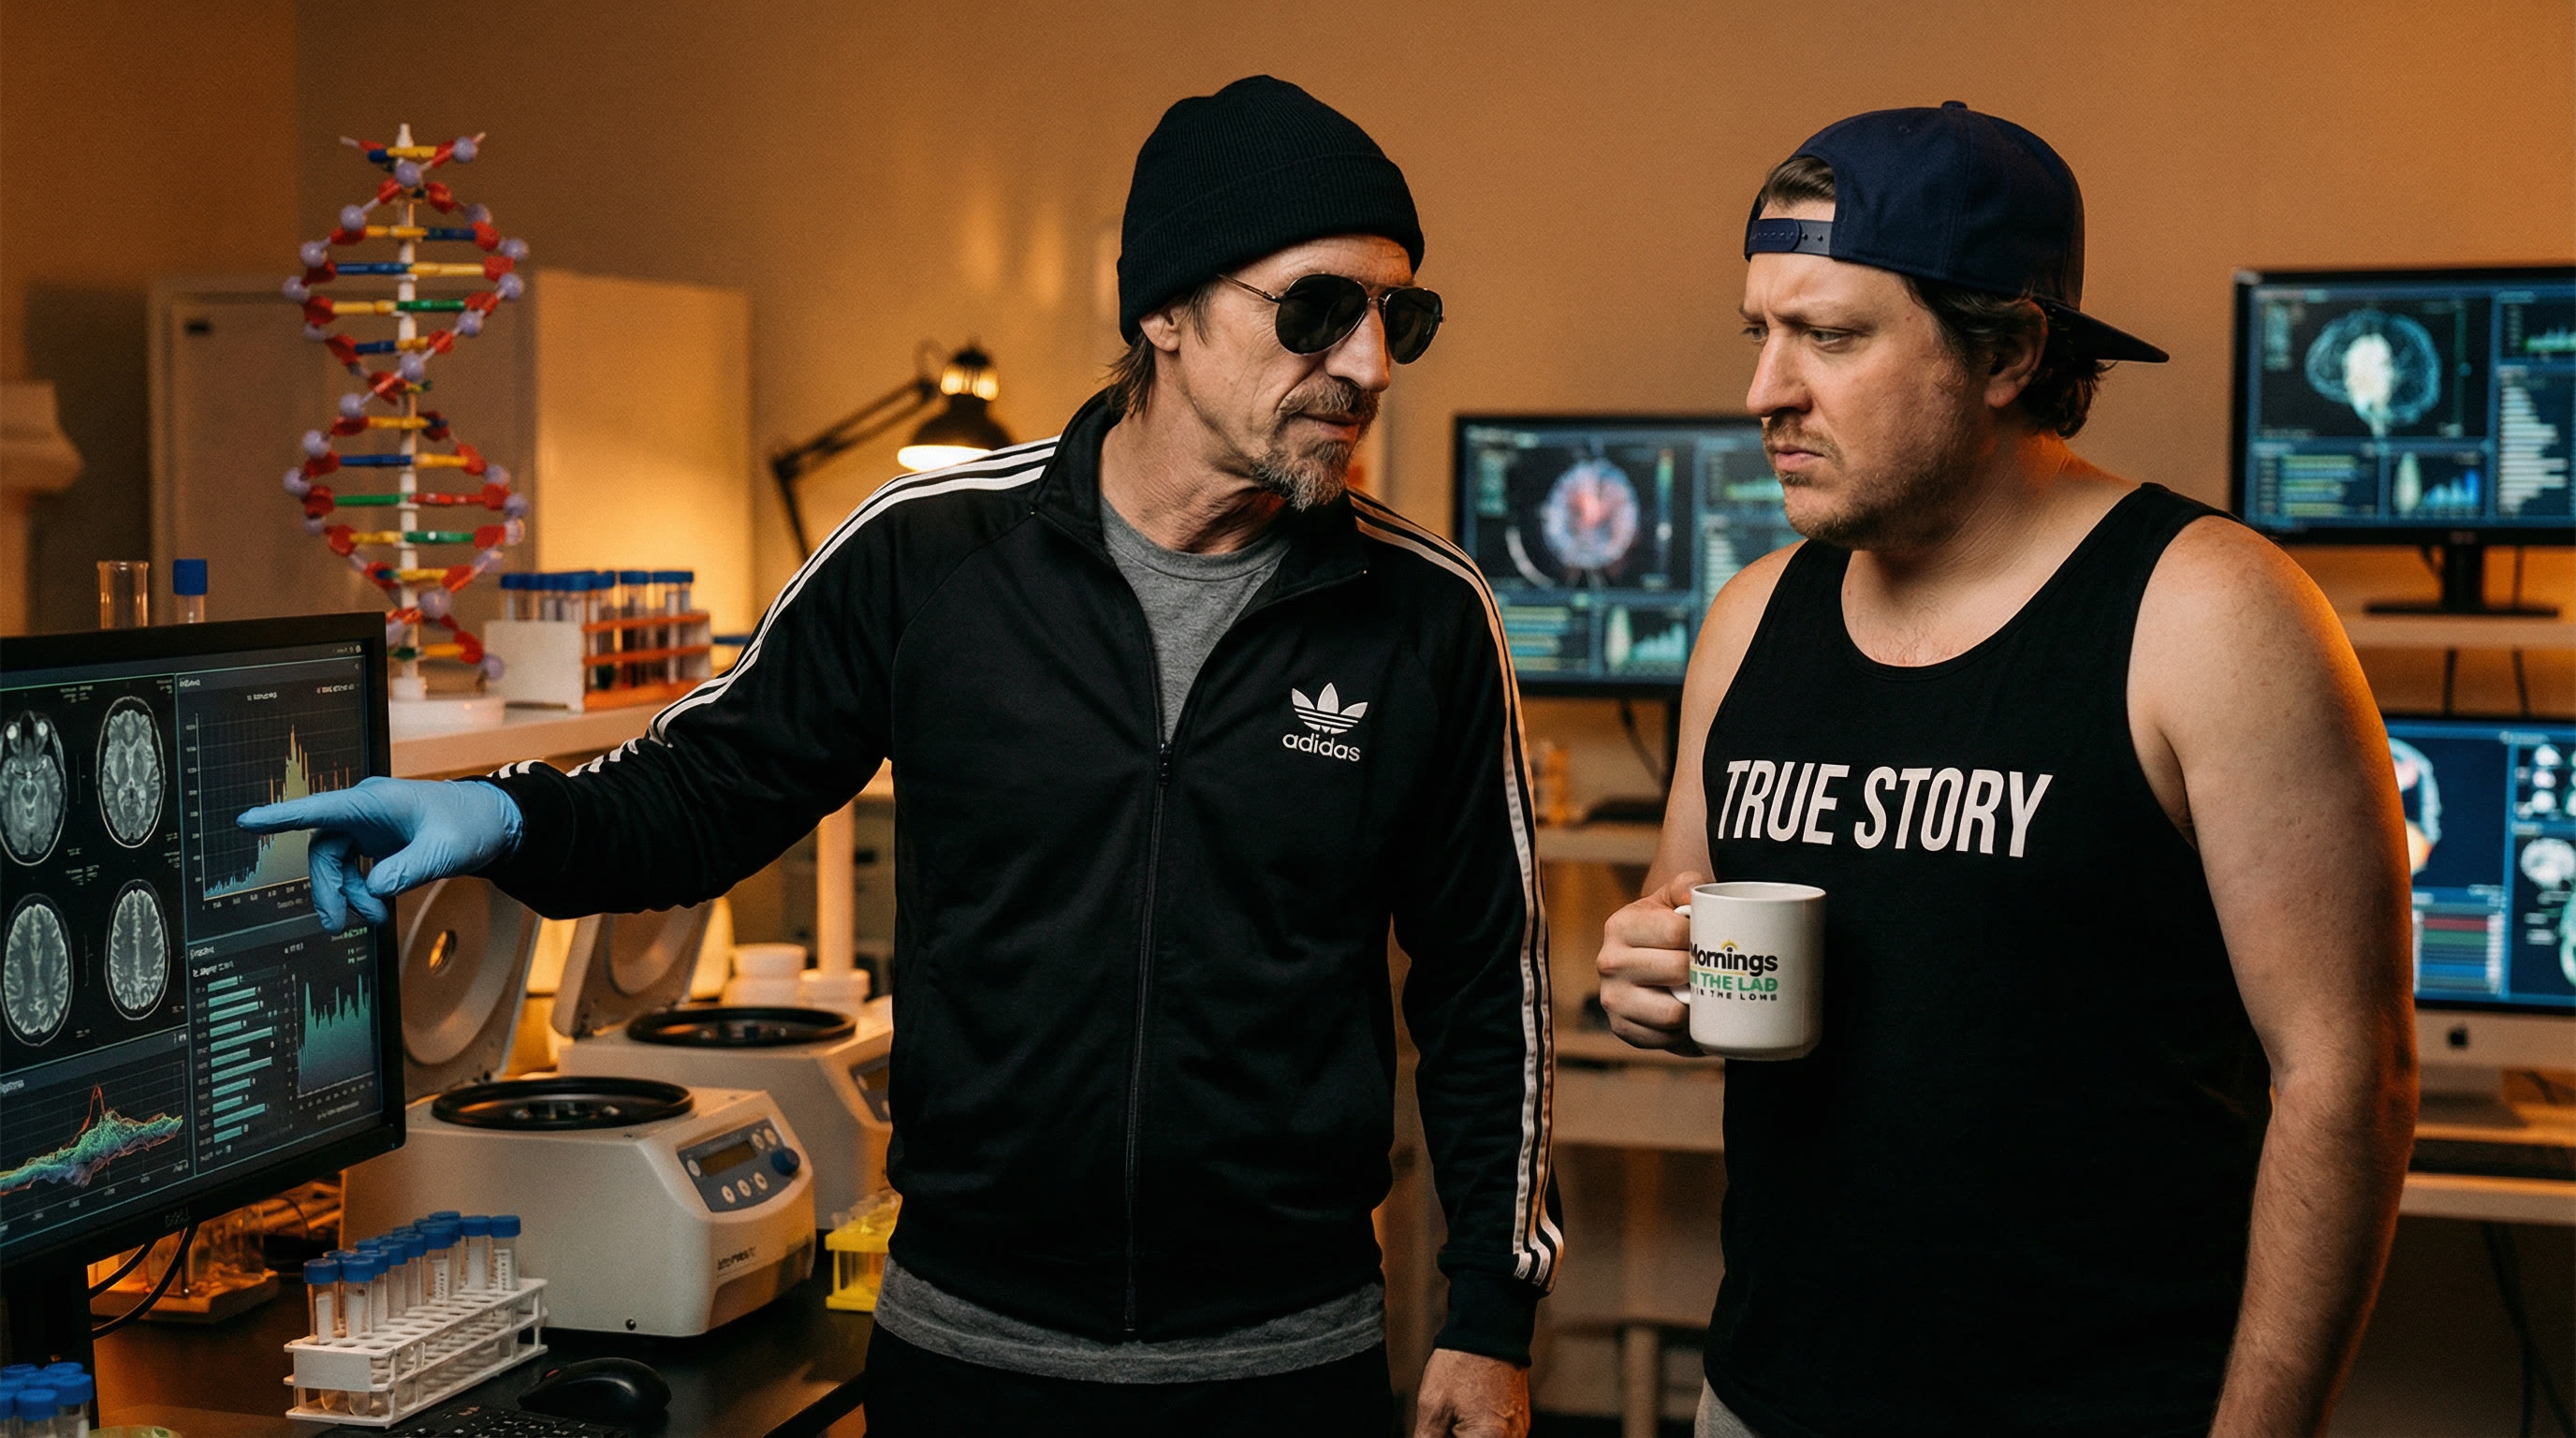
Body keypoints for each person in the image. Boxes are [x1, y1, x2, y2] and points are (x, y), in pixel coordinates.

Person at [247, 76, 1556, 1438]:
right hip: (968, 1357)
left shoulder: (1425, 616)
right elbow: (705, 791)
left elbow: (1488, 991)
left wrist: (1489, 1318)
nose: (1369, 364)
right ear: (1167, 312)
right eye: (1319, 309)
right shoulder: (931, 555)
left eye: (1399, 318)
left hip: (1286, 1365)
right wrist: (502, 817)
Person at [1594, 103, 2415, 1438]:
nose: (1765, 391)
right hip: (1764, 1396)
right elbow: (1683, 926)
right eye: (1761, 333)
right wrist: (1650, 978)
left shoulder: (2209, 614)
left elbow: (2348, 1081)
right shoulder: (1751, 618)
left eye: (1830, 336)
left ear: (2010, 351)